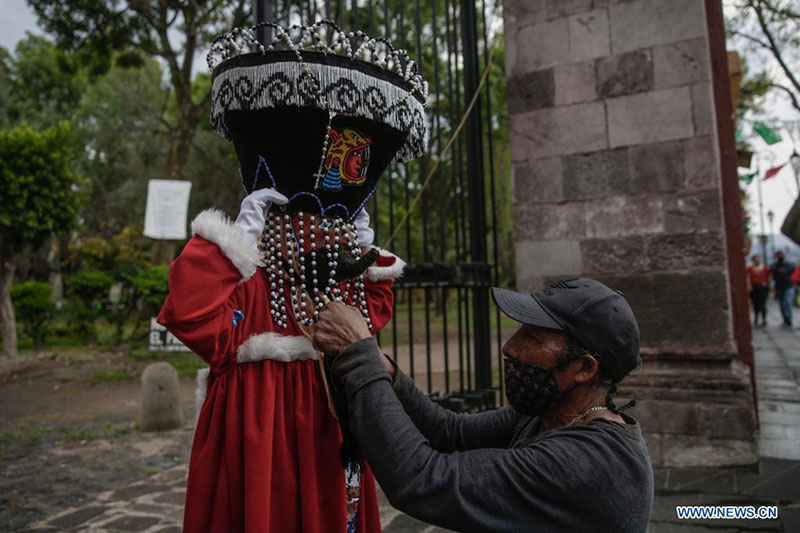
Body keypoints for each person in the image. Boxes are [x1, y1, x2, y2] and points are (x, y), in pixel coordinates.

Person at [158, 20, 428, 532]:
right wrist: (235, 241)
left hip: (332, 436)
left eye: (336, 224)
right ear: (273, 220)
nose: (326, 235)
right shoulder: (247, 277)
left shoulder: (342, 276)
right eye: (310, 223)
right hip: (255, 442)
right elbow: (188, 312)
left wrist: (365, 258)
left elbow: (373, 317)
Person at [312, 278, 654, 532]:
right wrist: (387, 372)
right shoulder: (551, 416)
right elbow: (451, 432)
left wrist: (360, 355)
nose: (509, 346)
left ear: (584, 369)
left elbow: (421, 480)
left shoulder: (584, 463)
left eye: (532, 337)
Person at [770, 251, 796, 326]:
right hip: (779, 287)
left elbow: (794, 274)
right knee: (782, 304)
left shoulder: (789, 265)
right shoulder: (774, 266)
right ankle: (785, 318)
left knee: (787, 302)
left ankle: (789, 318)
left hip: (789, 286)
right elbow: (772, 276)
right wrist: (772, 286)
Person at [746, 254, 770, 327]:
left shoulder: (765, 268)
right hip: (754, 288)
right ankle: (756, 317)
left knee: (763, 303)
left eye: (758, 259)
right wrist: (749, 285)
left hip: (762, 288)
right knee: (755, 303)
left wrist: (769, 286)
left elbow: (768, 277)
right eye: (755, 259)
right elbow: (747, 277)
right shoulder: (750, 269)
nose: (757, 261)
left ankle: (764, 319)